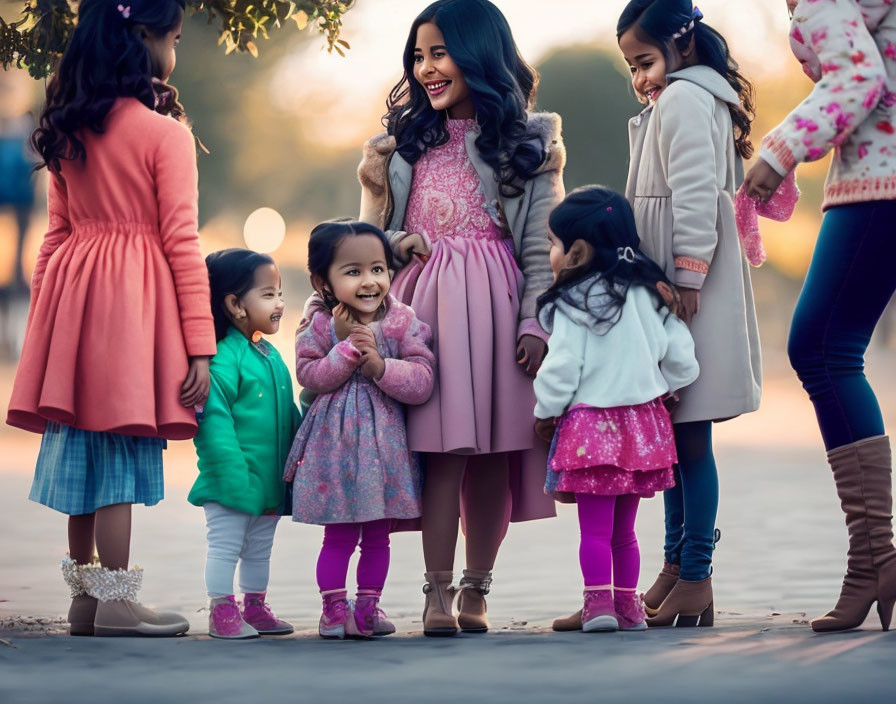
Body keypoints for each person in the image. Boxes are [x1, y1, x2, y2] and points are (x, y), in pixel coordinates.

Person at [6, 0, 214, 637]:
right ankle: (119, 602)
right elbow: (182, 243)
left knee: (82, 448)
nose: (174, 50)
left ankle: (85, 599)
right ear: (145, 40)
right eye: (174, 38)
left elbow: (53, 237)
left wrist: (46, 320)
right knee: (120, 448)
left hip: (72, 298)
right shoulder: (165, 135)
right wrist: (199, 344)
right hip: (133, 305)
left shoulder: (69, 129)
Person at [357, 0, 565, 636]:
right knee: (440, 453)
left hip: (498, 315)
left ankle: (477, 587)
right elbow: (364, 242)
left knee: (494, 455)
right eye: (418, 56)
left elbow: (539, 248)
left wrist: (536, 322)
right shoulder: (399, 147)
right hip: (422, 317)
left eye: (439, 53)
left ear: (479, 54)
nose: (426, 68)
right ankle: (436, 592)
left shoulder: (528, 146)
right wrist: (394, 246)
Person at [744, 0, 896, 633]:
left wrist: (778, 150)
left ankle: (874, 557)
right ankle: (874, 558)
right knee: (828, 350)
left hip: (880, 181)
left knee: (823, 347)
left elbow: (860, 77)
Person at [610, 0, 761, 628]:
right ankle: (676, 565)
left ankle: (696, 571)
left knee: (690, 434)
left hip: (684, 286)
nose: (642, 78)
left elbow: (698, 192)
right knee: (675, 437)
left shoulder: (686, 100)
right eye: (632, 67)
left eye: (645, 61)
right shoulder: (675, 100)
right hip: (668, 282)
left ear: (684, 47)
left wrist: (687, 274)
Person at [535, 186, 699, 633]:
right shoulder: (650, 293)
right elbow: (682, 357)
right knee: (624, 531)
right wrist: (668, 384)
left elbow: (563, 365)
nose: (551, 252)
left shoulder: (575, 300)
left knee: (594, 531)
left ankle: (597, 607)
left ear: (577, 251)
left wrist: (545, 410)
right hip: (643, 426)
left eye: (553, 243)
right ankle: (627, 608)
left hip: (592, 428)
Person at [285, 220, 435, 639]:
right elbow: (310, 375)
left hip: (384, 450)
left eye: (378, 269)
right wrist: (347, 350)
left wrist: (382, 368)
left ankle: (368, 606)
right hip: (334, 447)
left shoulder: (403, 321)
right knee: (338, 536)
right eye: (352, 272)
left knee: (378, 537)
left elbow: (423, 379)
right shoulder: (317, 326)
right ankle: (334, 609)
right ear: (323, 281)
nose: (369, 281)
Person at [189, 249, 300, 640]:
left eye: (280, 293)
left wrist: (303, 454)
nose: (281, 304)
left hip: (268, 481)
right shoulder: (224, 358)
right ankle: (221, 610)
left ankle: (254, 606)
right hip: (232, 480)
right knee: (225, 546)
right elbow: (214, 423)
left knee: (259, 550)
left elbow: (287, 414)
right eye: (269, 295)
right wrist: (232, 476)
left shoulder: (269, 355)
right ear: (235, 304)